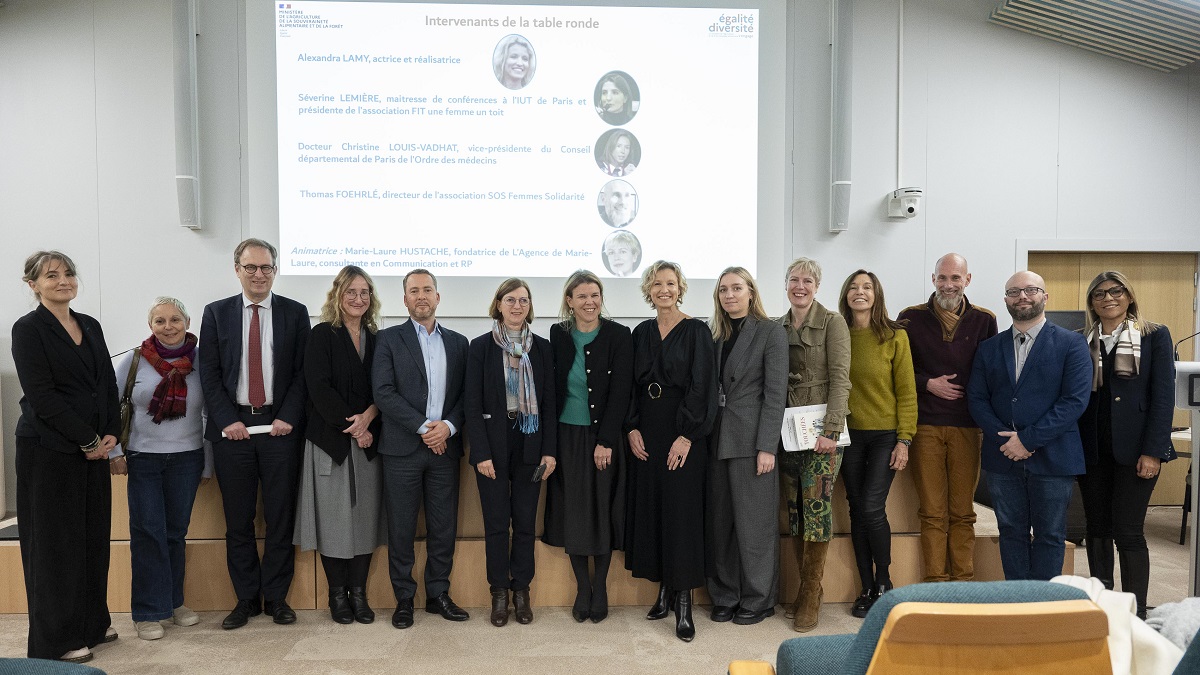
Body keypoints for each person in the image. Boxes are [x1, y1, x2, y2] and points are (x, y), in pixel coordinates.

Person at [12, 251, 120, 663]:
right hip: (49, 451)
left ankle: (91, 624)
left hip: (94, 450)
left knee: (92, 540)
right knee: (55, 547)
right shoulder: (28, 329)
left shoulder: (89, 324)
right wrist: (88, 439)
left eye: (68, 273)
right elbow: (43, 397)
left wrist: (110, 432)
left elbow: (106, 383)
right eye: (51, 275)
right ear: (33, 285)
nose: (63, 281)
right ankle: (56, 639)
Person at [199, 238, 311, 629]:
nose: (259, 274)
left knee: (280, 518)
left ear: (275, 270)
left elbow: (301, 374)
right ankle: (246, 599)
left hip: (280, 429)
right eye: (251, 268)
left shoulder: (296, 314)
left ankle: (277, 598)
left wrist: (288, 416)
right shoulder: (216, 313)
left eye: (265, 267)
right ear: (237, 270)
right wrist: (228, 418)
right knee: (239, 521)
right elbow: (209, 373)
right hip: (233, 432)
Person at [967, 271, 1091, 581]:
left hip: (1053, 455)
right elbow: (977, 400)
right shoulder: (989, 347)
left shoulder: (1072, 344)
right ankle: (1018, 601)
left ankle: (1043, 604)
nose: (1023, 296)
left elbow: (1074, 401)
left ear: (1044, 296)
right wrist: (1007, 441)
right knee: (1010, 530)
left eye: (1031, 290)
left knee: (1050, 533)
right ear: (1006, 299)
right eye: (1014, 292)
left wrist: (1028, 440)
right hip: (1003, 456)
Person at [373, 269, 470, 629]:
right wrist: (422, 427)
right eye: (413, 291)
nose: (421, 296)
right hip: (402, 449)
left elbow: (465, 397)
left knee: (443, 528)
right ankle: (403, 600)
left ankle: (437, 595)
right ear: (405, 300)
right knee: (400, 529)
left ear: (438, 297)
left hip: (445, 448)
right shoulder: (388, 339)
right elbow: (383, 392)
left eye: (427, 289)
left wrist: (447, 426)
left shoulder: (460, 343)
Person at [625, 260, 717, 643]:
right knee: (654, 511)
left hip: (682, 432)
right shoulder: (640, 331)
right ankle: (663, 591)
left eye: (671, 283)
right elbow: (629, 384)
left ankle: (684, 604)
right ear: (648, 290)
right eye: (657, 284)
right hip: (647, 428)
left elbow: (703, 387)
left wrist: (688, 436)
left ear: (680, 288)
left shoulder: (697, 330)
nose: (664, 289)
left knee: (681, 515)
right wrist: (631, 427)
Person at [112, 297, 212, 641]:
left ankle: (173, 602)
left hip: (187, 458)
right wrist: (114, 452)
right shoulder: (135, 359)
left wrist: (208, 461)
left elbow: (209, 414)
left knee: (174, 533)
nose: (168, 326)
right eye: (159, 321)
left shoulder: (202, 360)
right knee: (147, 532)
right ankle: (147, 611)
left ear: (186, 321)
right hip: (143, 458)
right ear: (150, 325)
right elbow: (110, 404)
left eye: (174, 319)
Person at [1077, 271, 1175, 619]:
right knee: (1097, 529)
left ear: (1129, 296)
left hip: (1136, 451)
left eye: (1116, 291)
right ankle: (1102, 605)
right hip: (1092, 449)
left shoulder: (1153, 336)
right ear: (1091, 302)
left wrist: (1154, 451)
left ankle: (1136, 612)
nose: (1108, 298)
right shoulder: (1081, 339)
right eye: (1099, 294)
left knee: (1129, 531)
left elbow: (1163, 398)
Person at [897, 253, 997, 583]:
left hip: (968, 426)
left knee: (962, 511)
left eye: (956, 278)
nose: (948, 284)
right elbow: (898, 372)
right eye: (942, 278)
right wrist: (929, 384)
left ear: (968, 280)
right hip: (924, 425)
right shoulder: (909, 318)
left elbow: (990, 372)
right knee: (932, 511)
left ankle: (963, 581)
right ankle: (937, 582)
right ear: (933, 279)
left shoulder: (985, 320)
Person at [294, 266, 385, 625]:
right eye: (351, 292)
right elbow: (318, 389)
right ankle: (337, 595)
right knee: (332, 521)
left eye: (364, 292)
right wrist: (355, 426)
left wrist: (369, 417)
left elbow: (384, 387)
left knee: (365, 519)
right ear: (337, 295)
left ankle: (359, 595)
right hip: (330, 441)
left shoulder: (377, 338)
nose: (358, 299)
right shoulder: (321, 335)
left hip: (369, 440)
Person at [543, 270, 634, 624]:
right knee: (574, 512)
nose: (589, 302)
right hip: (568, 435)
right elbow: (553, 387)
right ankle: (583, 587)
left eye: (595, 294)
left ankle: (603, 588)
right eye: (581, 296)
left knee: (603, 511)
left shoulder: (618, 335)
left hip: (603, 439)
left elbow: (621, 392)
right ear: (569, 301)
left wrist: (606, 441)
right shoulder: (558, 334)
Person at [466, 278, 557, 627]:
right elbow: (472, 405)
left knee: (523, 522)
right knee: (495, 524)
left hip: (530, 441)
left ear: (530, 306)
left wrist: (549, 451)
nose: (517, 306)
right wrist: (481, 452)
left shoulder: (543, 348)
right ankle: (499, 593)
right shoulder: (480, 347)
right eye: (510, 300)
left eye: (523, 300)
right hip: (493, 442)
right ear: (498, 305)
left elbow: (549, 403)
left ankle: (522, 591)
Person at [705, 267, 787, 626]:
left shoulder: (770, 332)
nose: (730, 295)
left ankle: (759, 598)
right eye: (724, 289)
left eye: (737, 288)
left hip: (753, 442)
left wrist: (767, 446)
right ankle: (725, 595)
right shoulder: (713, 335)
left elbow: (775, 395)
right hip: (715, 439)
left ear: (751, 292)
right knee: (720, 525)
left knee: (755, 527)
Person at [776, 257, 851, 633]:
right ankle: (809, 590)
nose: (799, 286)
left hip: (823, 436)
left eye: (807, 280)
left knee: (818, 512)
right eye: (793, 280)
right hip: (788, 434)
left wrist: (831, 430)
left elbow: (841, 380)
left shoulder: (833, 323)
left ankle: (810, 594)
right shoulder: (778, 325)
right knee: (795, 515)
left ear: (817, 285)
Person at [838, 270, 917, 618]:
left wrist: (904, 439)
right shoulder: (836, 333)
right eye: (854, 287)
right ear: (846, 295)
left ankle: (884, 581)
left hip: (885, 435)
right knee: (857, 509)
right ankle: (866, 586)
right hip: (848, 435)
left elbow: (907, 392)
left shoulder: (895, 336)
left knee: (871, 507)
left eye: (866, 287)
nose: (860, 292)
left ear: (876, 294)